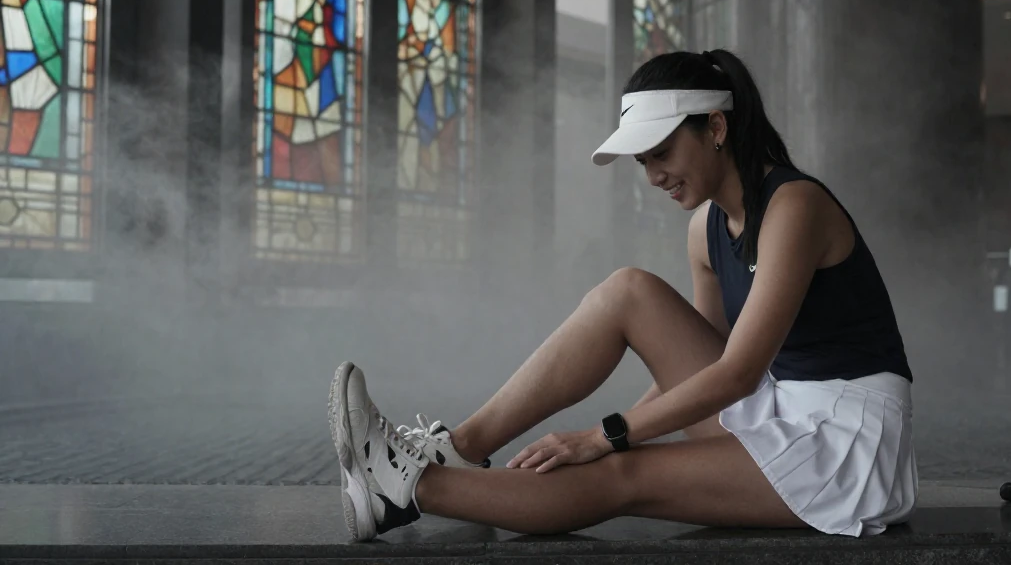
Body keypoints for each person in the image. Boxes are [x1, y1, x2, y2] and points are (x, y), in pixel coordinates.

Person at [328, 49, 917, 542]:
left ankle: (410, 488)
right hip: (779, 406)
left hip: (846, 442)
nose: (652, 177)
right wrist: (622, 431)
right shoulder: (704, 230)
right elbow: (697, 370)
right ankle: (457, 450)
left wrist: (607, 436)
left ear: (715, 127)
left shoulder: (794, 207)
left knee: (625, 473)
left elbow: (736, 374)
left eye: (660, 154)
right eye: (643, 162)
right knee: (628, 291)